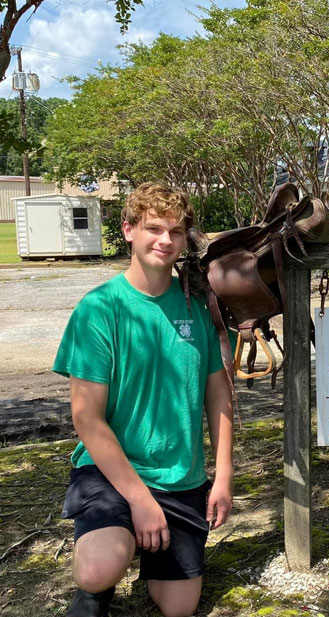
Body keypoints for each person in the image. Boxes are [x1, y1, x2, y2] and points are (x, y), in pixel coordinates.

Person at [54, 183, 234, 617]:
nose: (165, 240)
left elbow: (219, 395)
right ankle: (97, 590)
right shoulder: (99, 309)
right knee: (99, 567)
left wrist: (224, 475)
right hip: (111, 472)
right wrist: (139, 500)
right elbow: (88, 420)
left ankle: (147, 548)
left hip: (180, 478)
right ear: (128, 230)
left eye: (175, 231)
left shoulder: (199, 306)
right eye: (153, 228)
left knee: (178, 607)